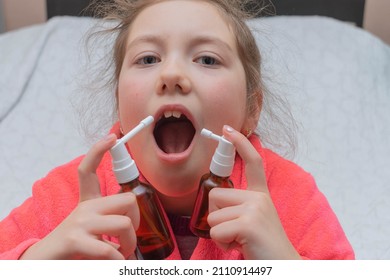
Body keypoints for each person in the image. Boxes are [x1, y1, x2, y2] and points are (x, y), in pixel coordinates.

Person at [0, 0, 354, 260]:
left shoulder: (291, 194)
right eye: (148, 59)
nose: (171, 76)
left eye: (207, 59)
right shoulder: (69, 196)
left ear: (251, 109)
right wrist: (33, 263)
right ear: (121, 106)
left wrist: (285, 264)